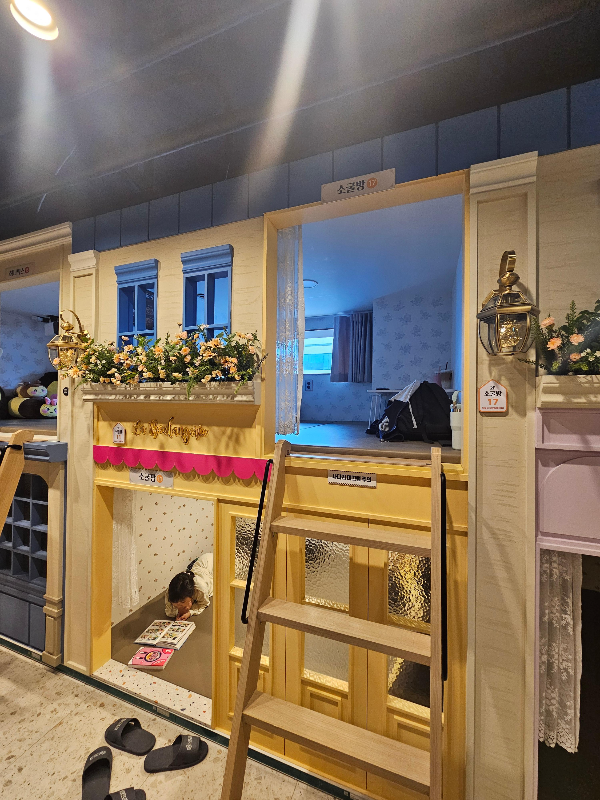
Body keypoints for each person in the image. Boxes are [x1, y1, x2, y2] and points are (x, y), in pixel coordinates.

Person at [165, 552, 213, 620]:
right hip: (200, 565)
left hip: (211, 564)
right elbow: (169, 611)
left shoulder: (200, 588)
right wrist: (178, 611)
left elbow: (204, 603)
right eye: (176, 606)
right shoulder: (170, 592)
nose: (179, 607)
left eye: (182, 605)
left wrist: (190, 612)